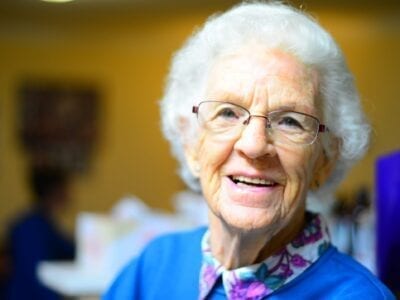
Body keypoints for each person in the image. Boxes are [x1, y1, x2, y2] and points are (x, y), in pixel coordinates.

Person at [104, 1, 395, 299]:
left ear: (325, 160)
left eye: (290, 121)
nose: (254, 145)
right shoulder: (155, 266)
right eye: (228, 113)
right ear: (190, 143)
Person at [5, 166, 75, 300]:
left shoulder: (45, 223)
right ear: (54, 190)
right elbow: (34, 276)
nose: (70, 193)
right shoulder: (31, 228)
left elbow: (69, 250)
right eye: (66, 188)